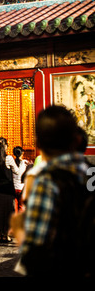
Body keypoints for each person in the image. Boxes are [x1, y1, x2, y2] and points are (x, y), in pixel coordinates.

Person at [10, 105, 90, 277]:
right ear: (76, 140)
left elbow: (36, 255)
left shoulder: (47, 182)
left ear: (39, 144)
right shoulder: (91, 172)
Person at [0, 137, 19, 243]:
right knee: (7, 212)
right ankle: (6, 235)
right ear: (5, 146)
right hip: (6, 190)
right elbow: (17, 171)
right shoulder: (9, 158)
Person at [12, 146, 29, 212]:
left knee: (14, 206)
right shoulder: (25, 163)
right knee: (21, 206)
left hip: (13, 187)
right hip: (22, 187)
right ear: (22, 153)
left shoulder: (12, 163)